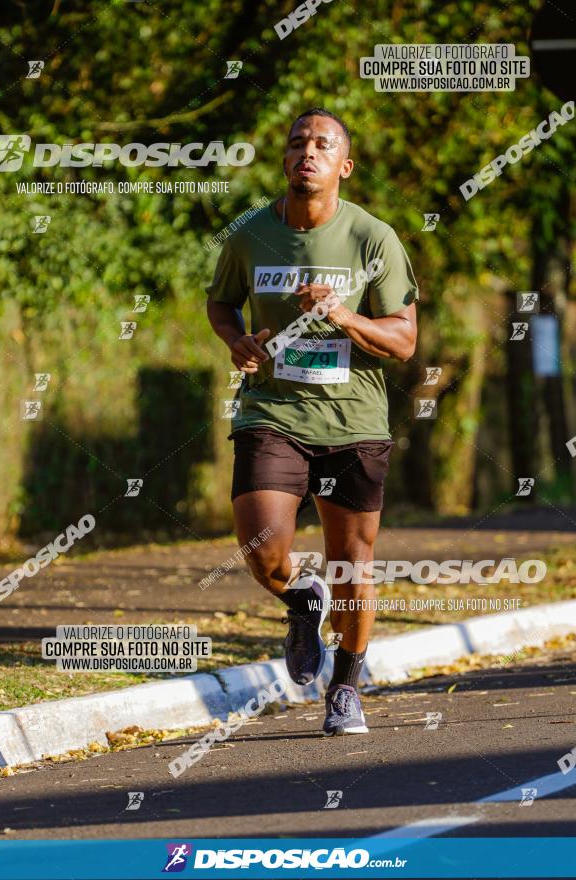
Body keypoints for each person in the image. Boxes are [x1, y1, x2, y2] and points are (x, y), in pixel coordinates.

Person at [206, 108, 418, 735]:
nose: (308, 152)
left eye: (322, 145)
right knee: (262, 548)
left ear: (343, 166)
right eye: (298, 142)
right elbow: (221, 303)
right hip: (272, 412)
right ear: (284, 159)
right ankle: (301, 597)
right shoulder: (248, 235)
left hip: (354, 420)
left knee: (351, 561)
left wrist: (344, 315)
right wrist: (236, 341)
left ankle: (346, 687)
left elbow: (404, 342)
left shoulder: (373, 239)